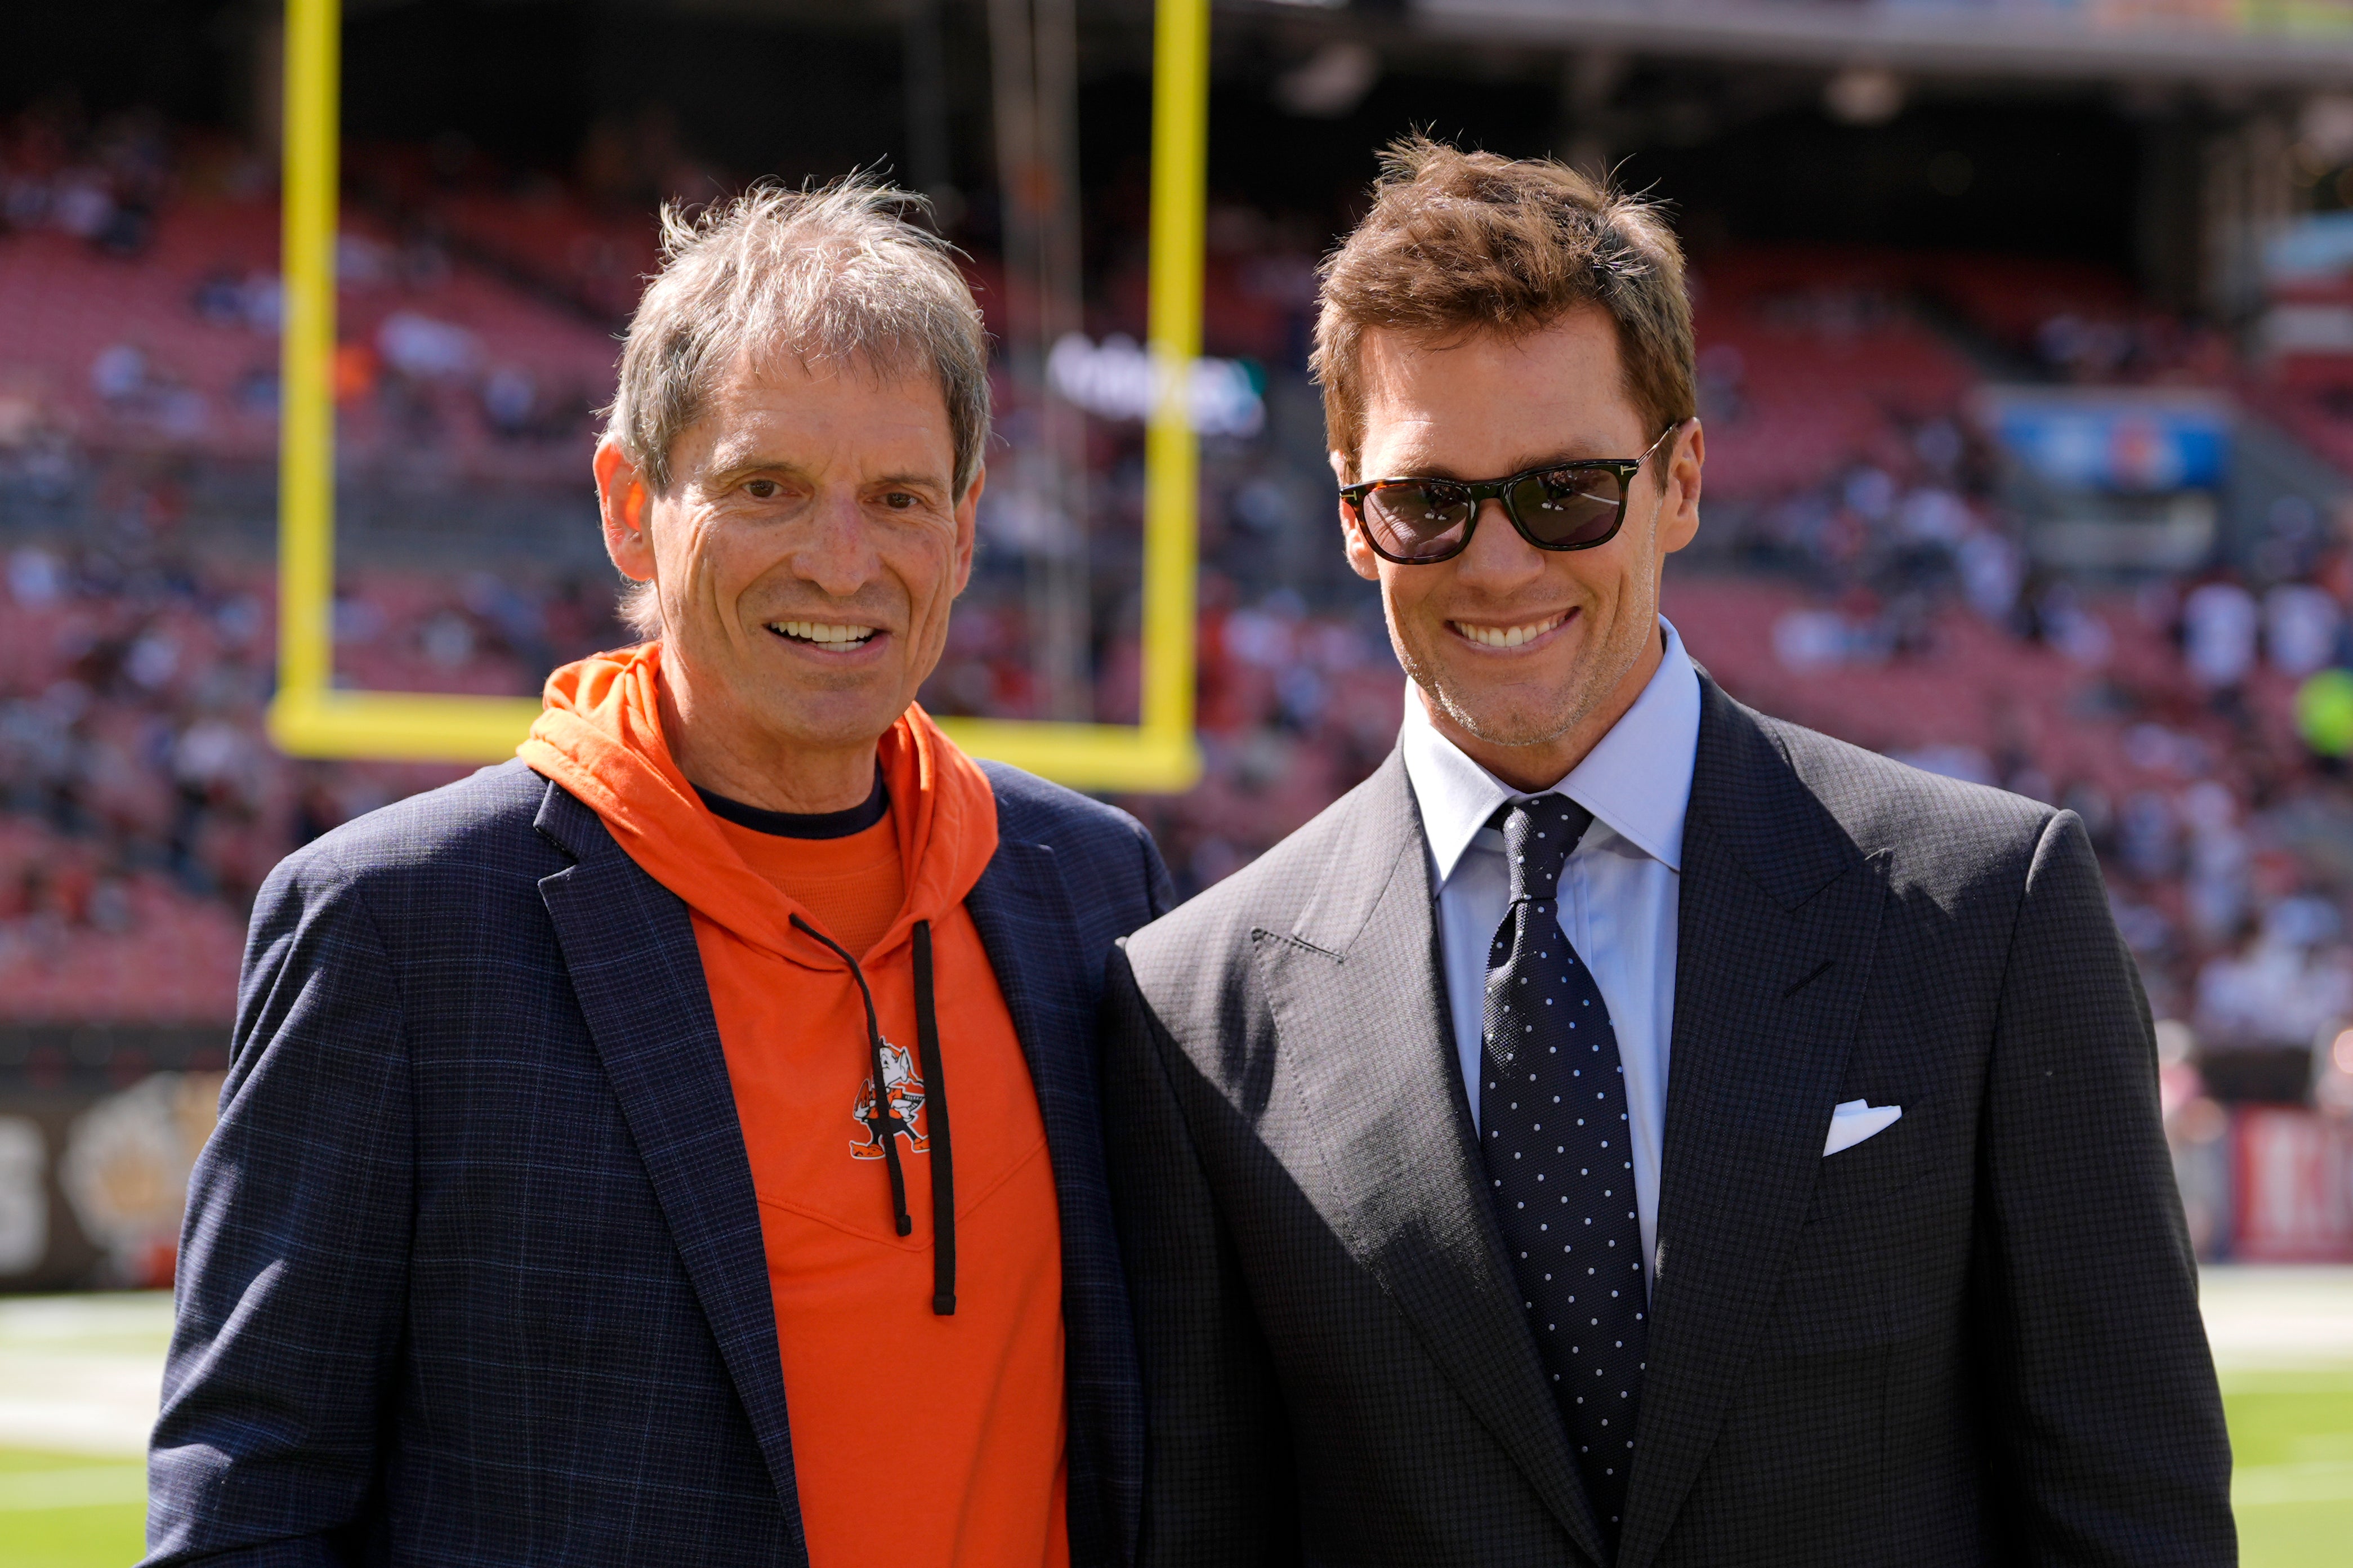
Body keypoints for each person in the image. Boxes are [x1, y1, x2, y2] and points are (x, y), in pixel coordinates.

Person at [1101, 139, 2232, 1568]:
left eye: (1563, 491)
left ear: (1680, 479)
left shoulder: (1982, 911)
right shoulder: (1194, 1011)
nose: (1496, 563)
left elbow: (2133, 1517)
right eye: (1427, 501)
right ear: (1351, 521)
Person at [148, 180, 1171, 1567]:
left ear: (965, 526)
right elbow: (247, 1500)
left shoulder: (1090, 887)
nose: (841, 561)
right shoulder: (400, 926)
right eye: (765, 488)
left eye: (898, 499)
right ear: (631, 507)